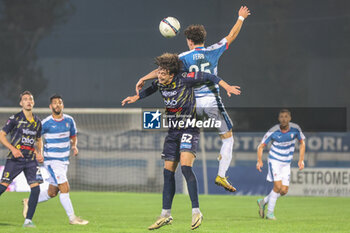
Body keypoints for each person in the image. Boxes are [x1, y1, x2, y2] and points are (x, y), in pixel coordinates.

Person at [135, 6, 251, 192]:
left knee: (183, 137)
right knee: (228, 139)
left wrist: (143, 78)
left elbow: (162, 70)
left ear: (189, 41)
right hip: (212, 104)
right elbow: (232, 35)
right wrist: (241, 18)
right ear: (203, 40)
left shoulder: (182, 58)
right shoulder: (214, 50)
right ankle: (221, 175)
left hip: (191, 106)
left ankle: (177, 163)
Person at [122, 53, 240, 230]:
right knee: (168, 173)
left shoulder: (185, 78)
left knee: (186, 168)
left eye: (163, 73)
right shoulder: (160, 83)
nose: (159, 76)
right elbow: (150, 89)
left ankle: (196, 211)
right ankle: (165, 214)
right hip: (172, 132)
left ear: (172, 74)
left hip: (189, 128)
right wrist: (136, 97)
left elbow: (209, 76)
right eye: (159, 73)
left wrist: (227, 87)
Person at [22, 94, 88, 225]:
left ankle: (29, 201)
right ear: (50, 106)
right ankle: (72, 218)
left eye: (60, 102)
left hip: (64, 160)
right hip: (52, 161)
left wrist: (74, 145)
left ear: (62, 105)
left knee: (52, 192)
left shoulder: (69, 120)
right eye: (55, 103)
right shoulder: (46, 123)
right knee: (64, 187)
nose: (57, 105)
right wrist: (38, 153)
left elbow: (73, 135)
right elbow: (34, 138)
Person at [0, 91, 43, 228]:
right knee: (2, 187)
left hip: (31, 160)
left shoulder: (37, 122)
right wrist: (12, 148)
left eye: (30, 99)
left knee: (36, 190)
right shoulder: (15, 119)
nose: (28, 101)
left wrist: (39, 152)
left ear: (33, 102)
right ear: (21, 103)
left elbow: (39, 139)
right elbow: (2, 135)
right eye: (25, 99)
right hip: (15, 159)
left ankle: (28, 221)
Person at [256, 109, 305, 220]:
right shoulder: (273, 131)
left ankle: (263, 201)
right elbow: (261, 146)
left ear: (290, 118)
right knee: (277, 187)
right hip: (275, 161)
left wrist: (301, 160)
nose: (284, 119)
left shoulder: (295, 129)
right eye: (281, 117)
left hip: (286, 163)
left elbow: (302, 143)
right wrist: (259, 161)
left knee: (283, 191)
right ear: (279, 119)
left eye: (286, 116)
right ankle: (270, 213)